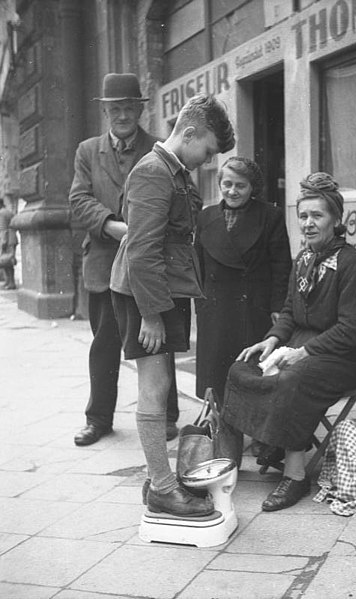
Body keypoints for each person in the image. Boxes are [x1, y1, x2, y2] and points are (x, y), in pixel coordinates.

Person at [218, 171, 356, 512]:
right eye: (303, 216)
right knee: (240, 367)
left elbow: (352, 329)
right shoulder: (304, 259)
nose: (308, 223)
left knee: (293, 379)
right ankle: (268, 440)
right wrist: (273, 340)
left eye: (317, 216)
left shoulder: (352, 265)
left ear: (336, 219)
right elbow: (291, 311)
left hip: (349, 355)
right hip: (304, 343)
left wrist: (301, 352)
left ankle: (295, 476)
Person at [110, 94, 235, 516]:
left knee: (159, 386)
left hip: (161, 291)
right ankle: (163, 488)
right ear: (190, 132)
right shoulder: (153, 172)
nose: (209, 159)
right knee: (155, 386)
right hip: (145, 295)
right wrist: (152, 314)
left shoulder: (173, 171)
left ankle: (157, 480)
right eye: (209, 150)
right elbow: (142, 251)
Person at [69, 73, 181, 447]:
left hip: (150, 265)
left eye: (128, 107)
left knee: (157, 341)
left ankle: (165, 416)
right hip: (104, 264)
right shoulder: (87, 151)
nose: (122, 115)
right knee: (104, 345)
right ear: (105, 112)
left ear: (139, 109)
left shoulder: (161, 146)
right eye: (115, 108)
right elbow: (78, 200)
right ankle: (98, 418)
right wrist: (113, 227)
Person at [194, 156, 291, 403]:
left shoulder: (271, 216)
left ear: (252, 188)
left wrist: (277, 306)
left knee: (250, 373)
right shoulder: (205, 217)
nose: (232, 191)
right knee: (215, 378)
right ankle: (216, 423)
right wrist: (201, 305)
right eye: (227, 184)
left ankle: (251, 424)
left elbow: (281, 266)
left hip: (252, 308)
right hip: (215, 308)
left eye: (240, 186)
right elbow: (198, 265)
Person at [0, 198, 17, 290]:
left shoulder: (1, 213)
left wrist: (3, 242)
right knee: (8, 261)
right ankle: (9, 281)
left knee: (7, 261)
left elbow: (3, 230)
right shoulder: (7, 211)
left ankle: (11, 282)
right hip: (12, 238)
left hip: (7, 240)